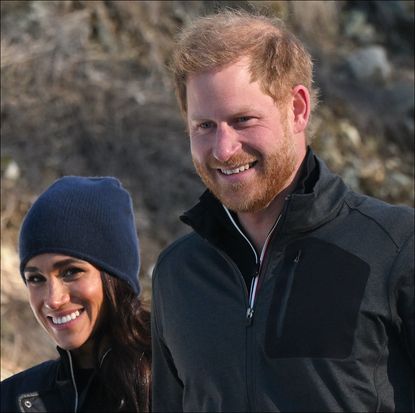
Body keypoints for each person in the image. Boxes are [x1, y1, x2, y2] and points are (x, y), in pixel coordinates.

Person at [151, 9, 414, 412]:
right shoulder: (177, 275)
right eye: (204, 126)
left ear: (297, 109)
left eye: (243, 119)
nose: (223, 149)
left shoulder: (394, 248)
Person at [1, 176, 151, 412]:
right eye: (36, 278)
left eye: (71, 272)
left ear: (114, 277)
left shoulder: (182, 381)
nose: (53, 300)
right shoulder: (10, 399)